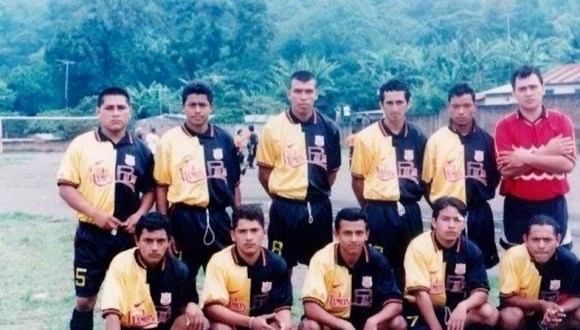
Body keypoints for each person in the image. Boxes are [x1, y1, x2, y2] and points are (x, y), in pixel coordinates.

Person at [56, 86, 155, 330]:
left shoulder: (140, 149)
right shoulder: (81, 145)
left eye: (120, 108)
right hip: (91, 236)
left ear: (129, 111)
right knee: (85, 301)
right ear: (98, 111)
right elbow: (66, 187)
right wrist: (96, 214)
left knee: (127, 302)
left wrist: (138, 215)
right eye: (109, 108)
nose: (115, 113)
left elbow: (150, 190)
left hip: (127, 239)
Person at [96, 212, 216, 330]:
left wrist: (193, 307)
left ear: (169, 242)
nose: (154, 247)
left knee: (199, 323)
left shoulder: (179, 269)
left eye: (160, 241)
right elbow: (111, 313)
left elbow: (188, 303)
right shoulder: (120, 264)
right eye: (148, 240)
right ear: (137, 240)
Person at [298, 207, 406, 330]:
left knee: (398, 324)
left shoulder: (377, 260)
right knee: (309, 328)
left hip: (366, 329)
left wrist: (373, 321)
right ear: (336, 234)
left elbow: (395, 303)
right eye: (347, 233)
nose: (354, 239)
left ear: (367, 234)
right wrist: (345, 326)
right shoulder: (322, 259)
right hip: (334, 327)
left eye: (359, 233)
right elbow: (310, 307)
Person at [391, 196, 498, 330]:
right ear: (433, 222)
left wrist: (463, 307)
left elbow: (481, 291)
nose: (451, 225)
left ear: (464, 224)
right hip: (420, 310)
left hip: (453, 310)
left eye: (457, 220)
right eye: (445, 219)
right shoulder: (419, 246)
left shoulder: (471, 250)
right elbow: (420, 294)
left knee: (490, 314)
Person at [201, 204, 298, 330]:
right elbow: (212, 308)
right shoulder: (219, 261)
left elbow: (282, 306)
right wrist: (251, 322)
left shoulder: (277, 263)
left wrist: (285, 323)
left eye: (254, 230)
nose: (249, 237)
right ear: (232, 235)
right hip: (231, 323)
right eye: (242, 231)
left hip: (261, 324)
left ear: (264, 232)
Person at [154, 80, 240, 282]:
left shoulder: (225, 139)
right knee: (182, 279)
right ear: (183, 107)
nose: (197, 110)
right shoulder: (169, 140)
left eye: (203, 105)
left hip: (219, 218)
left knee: (225, 278)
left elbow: (235, 184)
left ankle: (219, 314)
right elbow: (161, 186)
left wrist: (238, 219)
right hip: (184, 218)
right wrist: (166, 228)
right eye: (192, 105)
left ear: (211, 107)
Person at [256, 70, 341, 276]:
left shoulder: (329, 128)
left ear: (316, 93)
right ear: (289, 94)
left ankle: (314, 308)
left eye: (308, 91)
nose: (303, 97)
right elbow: (264, 172)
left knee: (321, 268)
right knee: (281, 267)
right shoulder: (273, 128)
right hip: (285, 209)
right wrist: (284, 196)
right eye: (298, 91)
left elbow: (331, 173)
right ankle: (282, 308)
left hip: (319, 207)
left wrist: (314, 192)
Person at [351, 78, 427, 286]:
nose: (395, 108)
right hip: (378, 210)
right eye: (389, 103)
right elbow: (358, 180)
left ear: (408, 104)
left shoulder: (419, 137)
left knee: (410, 263)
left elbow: (425, 177)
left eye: (399, 102)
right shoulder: (366, 137)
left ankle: (406, 313)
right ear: (381, 105)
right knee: (377, 265)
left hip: (410, 211)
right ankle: (377, 311)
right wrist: (370, 209)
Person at [494, 65, 576, 250]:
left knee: (557, 260)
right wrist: (548, 151)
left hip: (553, 203)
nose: (528, 93)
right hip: (518, 205)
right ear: (514, 93)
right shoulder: (504, 126)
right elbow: (506, 170)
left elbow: (567, 164)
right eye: (522, 89)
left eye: (533, 87)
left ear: (543, 88)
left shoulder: (561, 121)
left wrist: (524, 157)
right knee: (518, 260)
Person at [422, 83, 501, 269]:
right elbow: (426, 182)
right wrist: (442, 208)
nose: (461, 112)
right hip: (447, 215)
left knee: (479, 267)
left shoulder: (488, 141)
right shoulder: (436, 140)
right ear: (448, 108)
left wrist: (478, 196)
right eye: (456, 106)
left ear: (475, 106)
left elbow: (494, 177)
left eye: (466, 106)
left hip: (479, 213)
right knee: (444, 266)